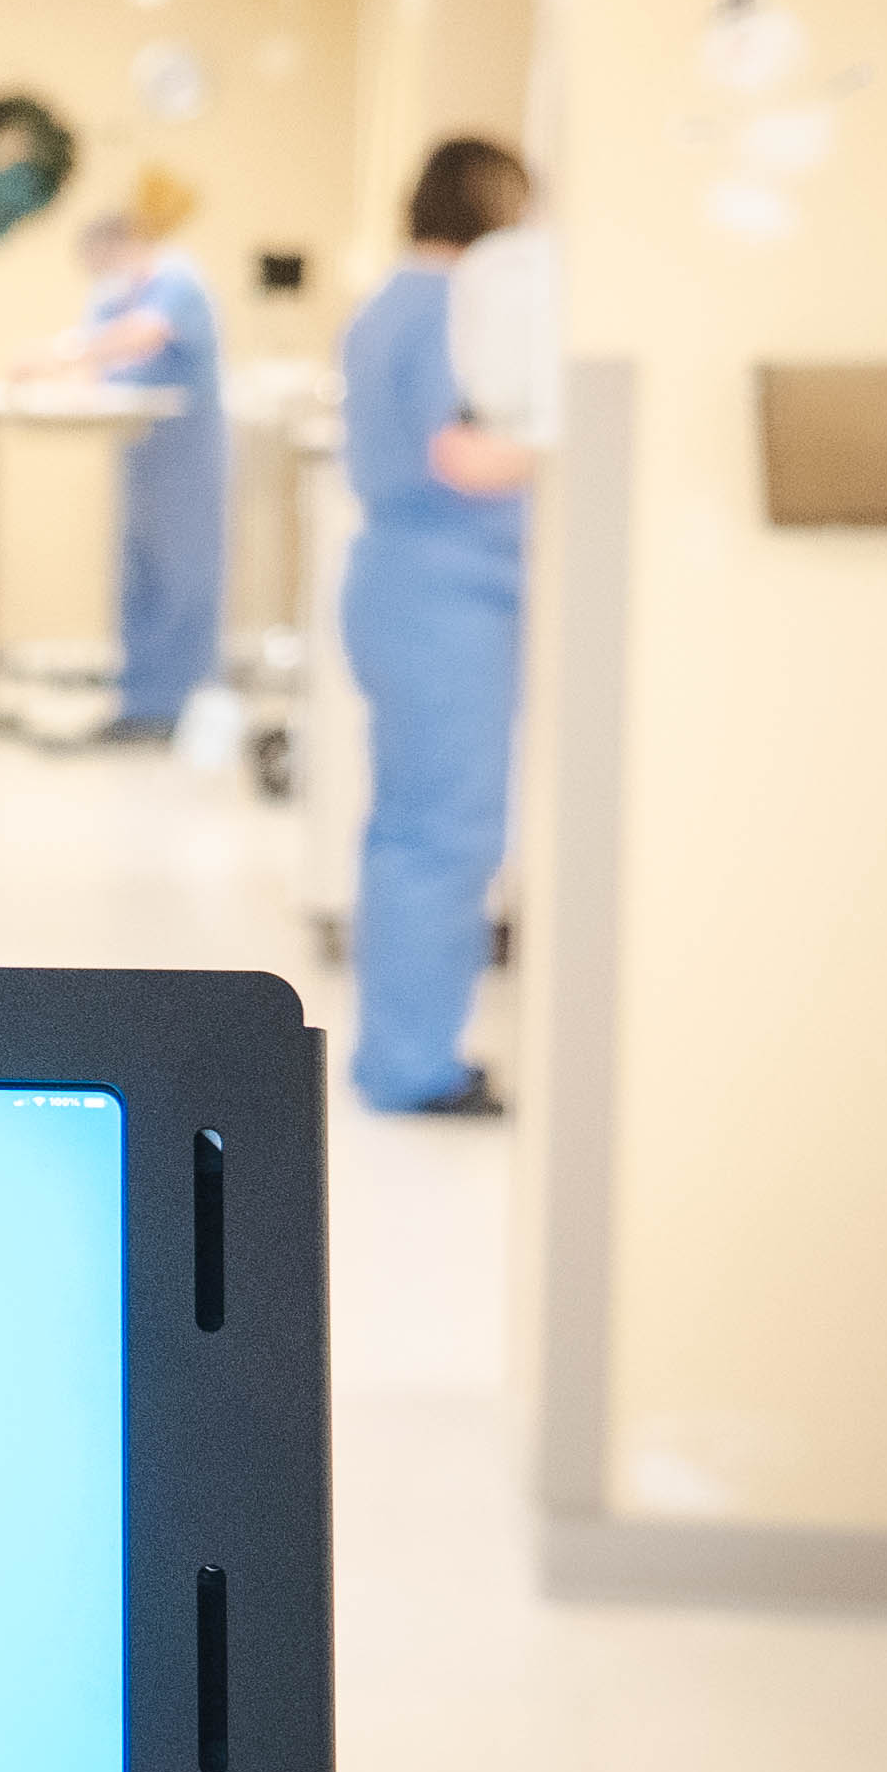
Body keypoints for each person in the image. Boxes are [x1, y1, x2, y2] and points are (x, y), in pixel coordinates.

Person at [341, 136, 543, 1114]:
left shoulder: (393, 305)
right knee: (445, 836)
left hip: (407, 587)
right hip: (442, 597)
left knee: (412, 828)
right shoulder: (442, 313)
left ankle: (399, 1050)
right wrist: (567, 435)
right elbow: (461, 457)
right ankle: (415, 1064)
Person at [26, 204, 228, 740]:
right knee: (140, 580)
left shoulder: (178, 282)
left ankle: (183, 710)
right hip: (142, 460)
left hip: (186, 460)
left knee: (183, 580)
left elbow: (142, 337)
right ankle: (140, 705)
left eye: (103, 263)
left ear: (128, 245)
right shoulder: (113, 298)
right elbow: (101, 364)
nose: (100, 278)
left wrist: (62, 353)